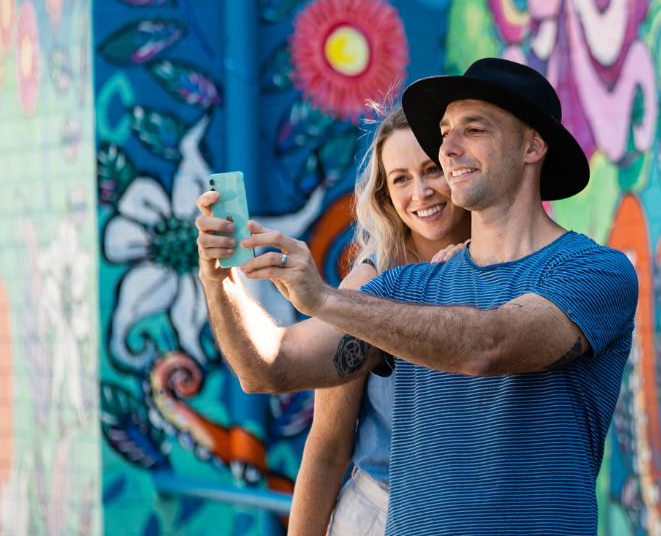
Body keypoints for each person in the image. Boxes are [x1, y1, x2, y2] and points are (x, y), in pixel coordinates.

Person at [196, 57, 638, 534]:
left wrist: (324, 299)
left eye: (473, 129)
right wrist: (220, 282)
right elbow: (272, 366)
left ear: (533, 144)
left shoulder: (595, 271)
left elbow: (489, 346)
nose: (447, 148)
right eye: (445, 132)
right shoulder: (400, 288)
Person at [194, 106, 470, 536]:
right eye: (400, 179)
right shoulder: (372, 284)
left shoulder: (510, 268)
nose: (420, 192)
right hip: (382, 513)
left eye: (431, 170)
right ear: (384, 196)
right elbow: (326, 446)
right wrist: (220, 282)